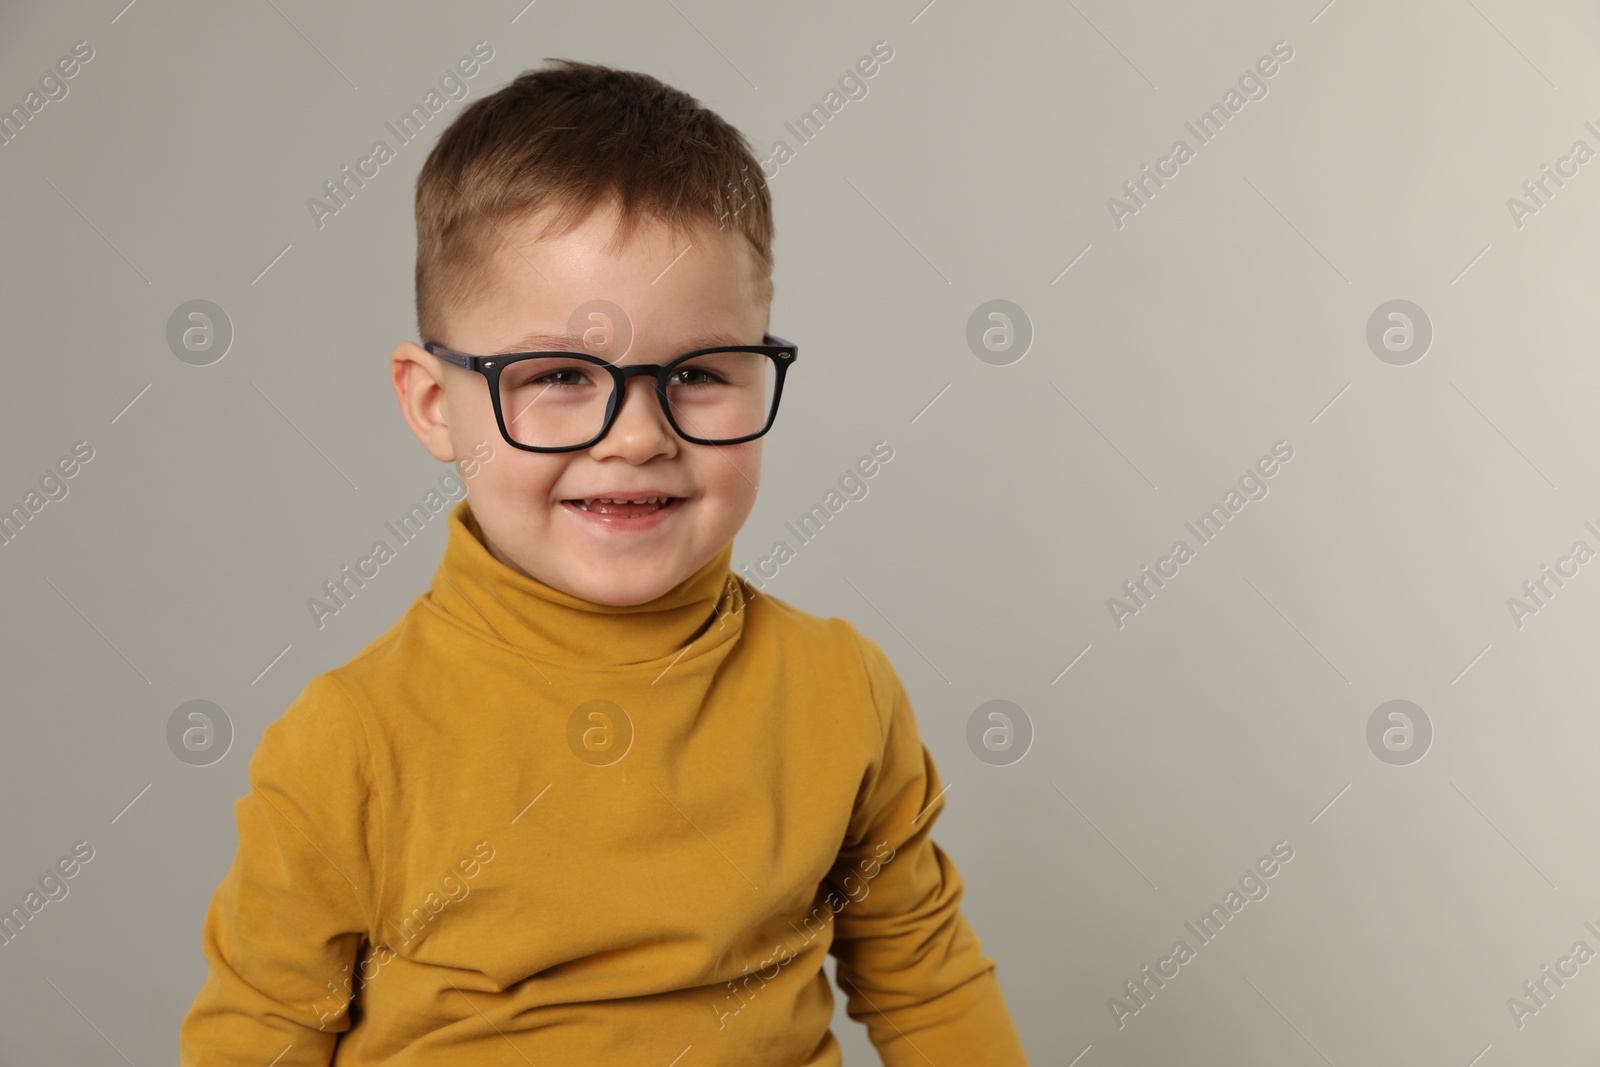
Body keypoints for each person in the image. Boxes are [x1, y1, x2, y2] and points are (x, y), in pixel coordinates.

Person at [178, 58, 1028, 1066]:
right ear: (432, 402)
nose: (634, 436)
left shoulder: (841, 690)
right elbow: (259, 1035)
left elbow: (925, 978)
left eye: (699, 372)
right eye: (561, 375)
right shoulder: (350, 740)